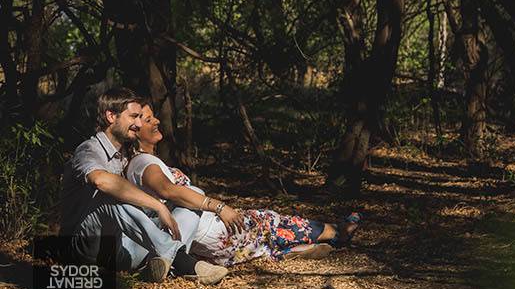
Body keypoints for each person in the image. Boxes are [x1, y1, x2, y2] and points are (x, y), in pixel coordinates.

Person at [124, 102, 361, 266]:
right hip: (213, 232)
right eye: (147, 119)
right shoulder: (143, 162)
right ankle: (337, 232)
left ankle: (297, 251)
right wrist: (219, 207)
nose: (156, 120)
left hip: (209, 242)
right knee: (270, 220)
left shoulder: (148, 161)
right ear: (135, 129)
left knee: (263, 239)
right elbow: (169, 190)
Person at [59, 87, 229, 284]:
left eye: (140, 117)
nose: (138, 124)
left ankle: (160, 263)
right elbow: (101, 181)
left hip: (120, 249)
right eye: (133, 117)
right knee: (109, 196)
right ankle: (182, 261)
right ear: (111, 116)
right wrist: (157, 206)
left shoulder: (123, 155)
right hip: (83, 248)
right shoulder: (88, 150)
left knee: (191, 194)